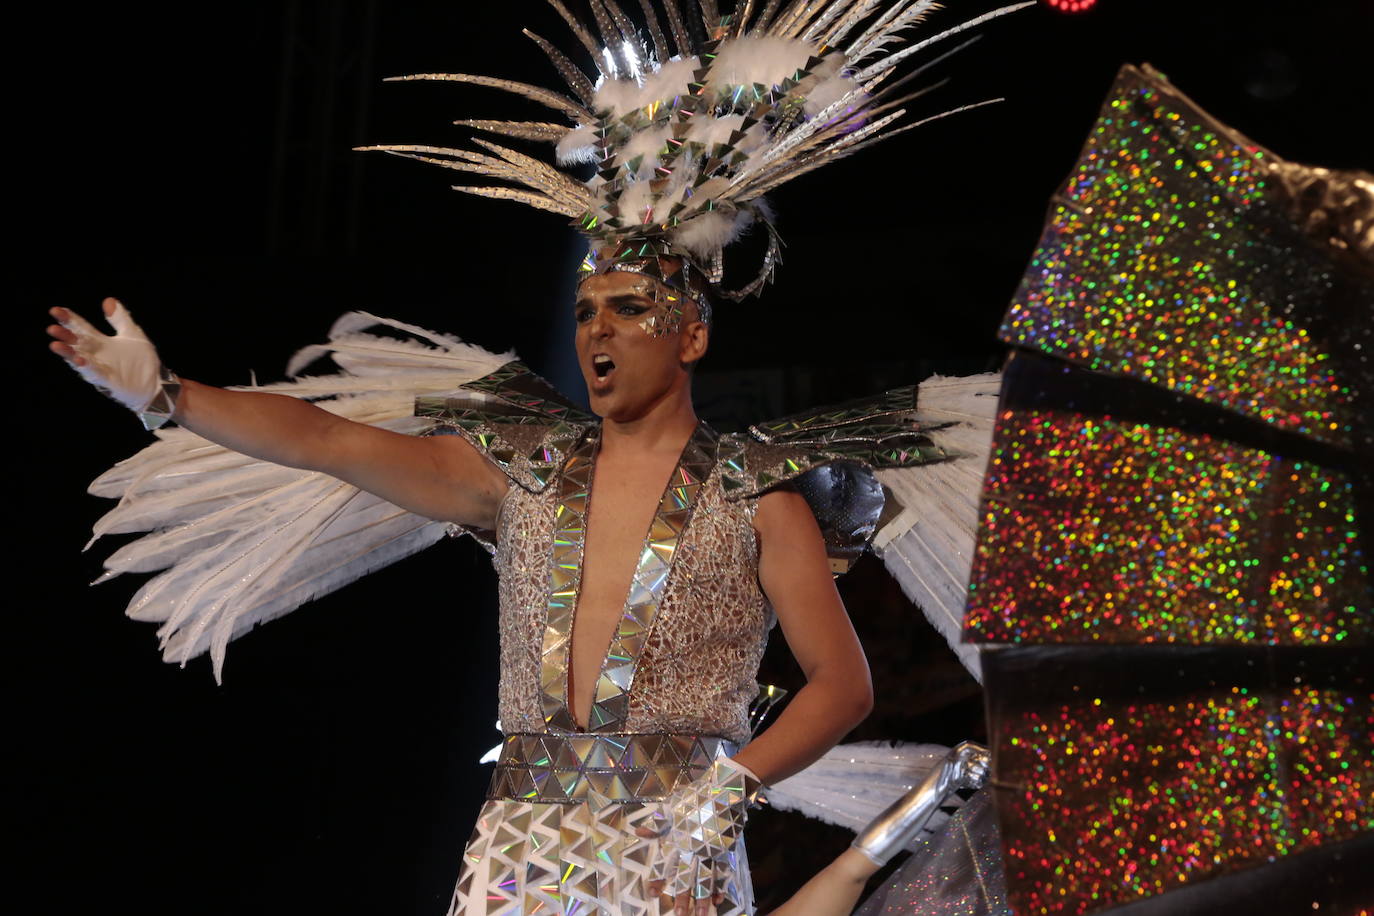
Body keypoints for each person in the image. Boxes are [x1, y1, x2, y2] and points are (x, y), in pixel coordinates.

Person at [48, 2, 1030, 913]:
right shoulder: (523, 477)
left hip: (676, 836)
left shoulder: (756, 497)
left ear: (689, 335)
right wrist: (167, 394)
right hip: (523, 839)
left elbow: (843, 685)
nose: (598, 329)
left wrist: (724, 789)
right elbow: (328, 439)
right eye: (585, 310)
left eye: (628, 310)